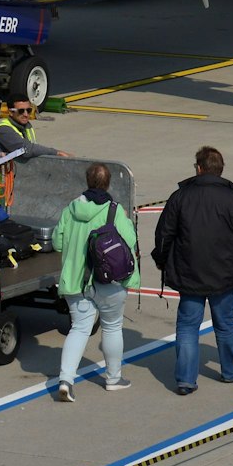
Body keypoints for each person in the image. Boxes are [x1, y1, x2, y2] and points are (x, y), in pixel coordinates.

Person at [154, 146, 233, 394]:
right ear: (219, 170)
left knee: (187, 327)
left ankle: (185, 379)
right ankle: (230, 371)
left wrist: (161, 260)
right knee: (225, 324)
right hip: (226, 275)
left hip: (189, 273)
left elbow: (163, 235)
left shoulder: (180, 197)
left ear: (200, 168)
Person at [50, 162, 138, 399]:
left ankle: (66, 380)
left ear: (87, 182)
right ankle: (113, 378)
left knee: (79, 328)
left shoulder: (71, 209)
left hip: (77, 282)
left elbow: (57, 243)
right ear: (108, 183)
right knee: (111, 327)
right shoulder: (114, 210)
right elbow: (130, 242)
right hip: (108, 282)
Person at [0, 98, 71, 206]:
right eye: (21, 111)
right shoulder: (4, 129)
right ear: (10, 112)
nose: (26, 114)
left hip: (21, 188)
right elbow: (27, 150)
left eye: (29, 110)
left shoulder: (27, 127)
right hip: (2, 190)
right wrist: (56, 153)